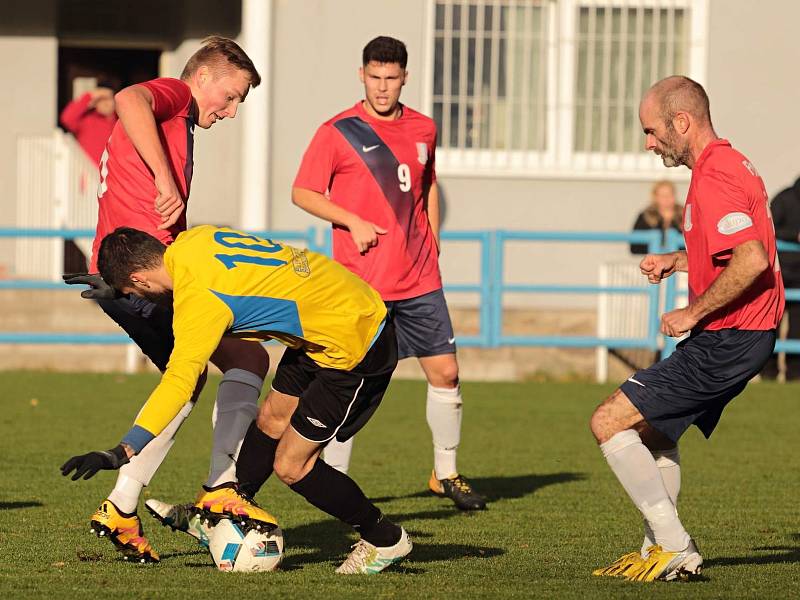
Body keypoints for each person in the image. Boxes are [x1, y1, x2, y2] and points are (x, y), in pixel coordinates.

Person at [62, 225, 411, 575]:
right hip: (326, 316)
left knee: (293, 466)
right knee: (270, 420)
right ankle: (224, 508)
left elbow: (179, 382)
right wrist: (125, 287)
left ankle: (384, 538)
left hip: (356, 341)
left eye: (132, 290)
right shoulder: (192, 241)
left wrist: (124, 449)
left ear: (139, 278)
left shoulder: (200, 303)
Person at [61, 37, 271, 564]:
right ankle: (218, 489)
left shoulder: (179, 125)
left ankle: (125, 504)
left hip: (135, 276)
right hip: (142, 278)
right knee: (243, 358)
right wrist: (162, 177)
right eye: (231, 94)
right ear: (203, 77)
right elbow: (131, 97)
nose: (231, 109)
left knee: (198, 374)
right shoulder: (175, 94)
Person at [260, 35, 484, 511]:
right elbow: (302, 192)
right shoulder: (337, 131)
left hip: (420, 279)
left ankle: (446, 473)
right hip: (361, 288)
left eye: (392, 78)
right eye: (375, 77)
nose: (383, 87)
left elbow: (427, 187)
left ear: (405, 77)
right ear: (362, 76)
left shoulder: (424, 128)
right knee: (348, 384)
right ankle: (332, 477)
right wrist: (351, 219)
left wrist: (435, 237)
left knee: (446, 372)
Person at [590, 76, 783, 582]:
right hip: (745, 335)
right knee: (653, 432)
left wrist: (692, 313)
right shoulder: (730, 161)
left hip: (730, 336)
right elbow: (733, 251)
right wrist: (677, 261)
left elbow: (752, 259)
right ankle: (659, 547)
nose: (649, 143)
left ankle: (674, 546)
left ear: (682, 122)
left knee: (609, 422)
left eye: (652, 132)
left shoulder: (714, 175)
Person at [761, 177, 800, 381]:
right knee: (771, 323)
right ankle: (768, 371)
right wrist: (796, 236)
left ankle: (794, 374)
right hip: (779, 273)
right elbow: (769, 228)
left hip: (799, 276)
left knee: (798, 326)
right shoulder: (784, 199)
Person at [59, 83, 118, 166]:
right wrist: (89, 96)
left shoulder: (121, 123)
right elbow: (67, 118)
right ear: (95, 103)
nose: (105, 103)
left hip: (112, 175)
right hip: (88, 174)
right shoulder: (86, 121)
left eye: (108, 98)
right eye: (100, 99)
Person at [630, 180, 683, 255]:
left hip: (679, 262)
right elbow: (634, 246)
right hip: (651, 261)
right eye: (662, 196)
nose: (666, 199)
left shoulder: (684, 216)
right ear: (655, 197)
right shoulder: (645, 217)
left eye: (669, 195)